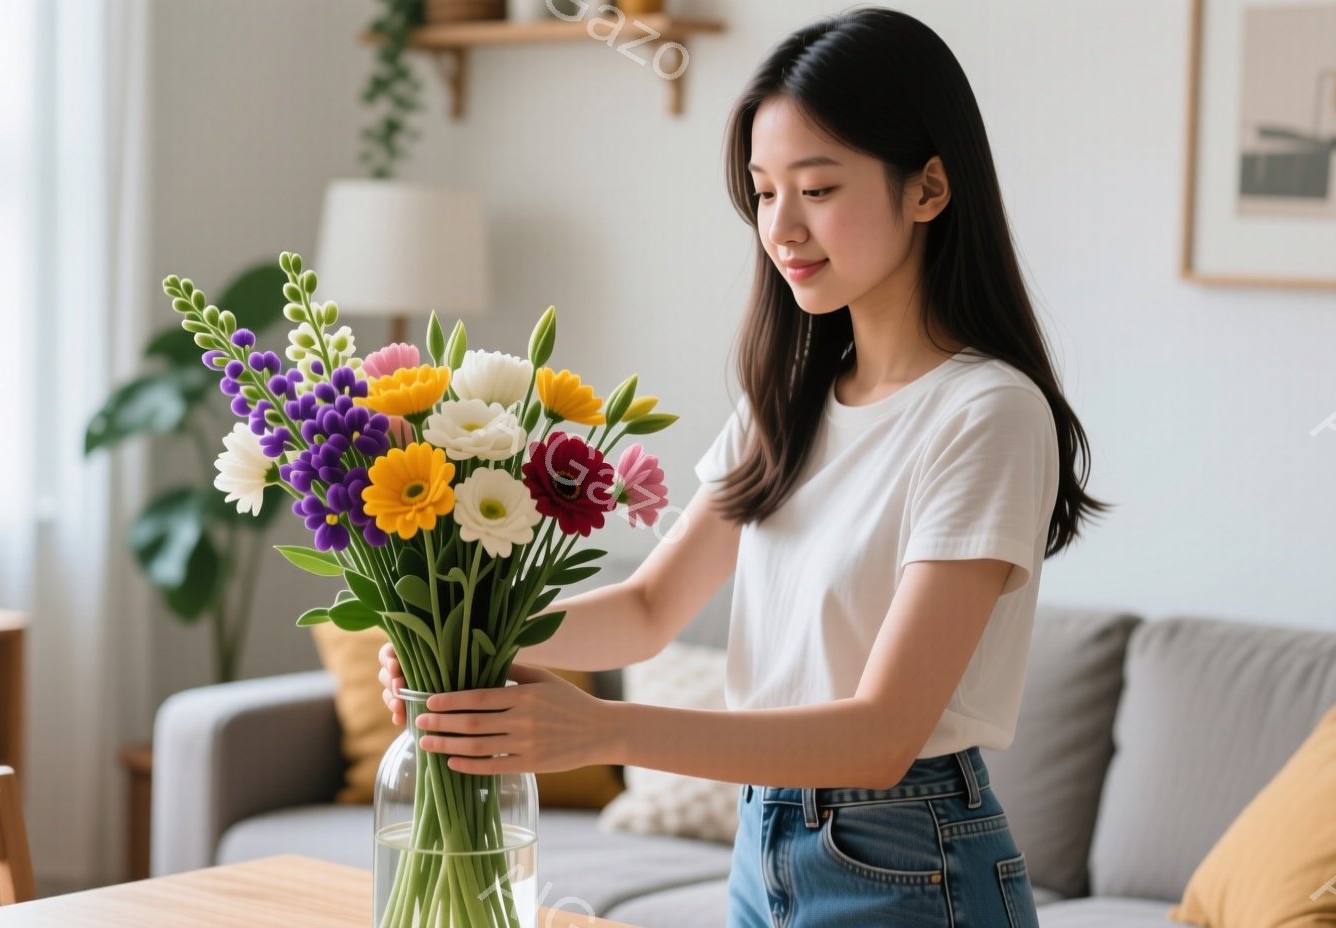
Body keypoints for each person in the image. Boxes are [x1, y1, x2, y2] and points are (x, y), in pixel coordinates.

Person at [378, 7, 1108, 926]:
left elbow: (883, 735)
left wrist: (601, 730)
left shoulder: (986, 413)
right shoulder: (789, 401)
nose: (783, 228)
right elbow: (650, 609)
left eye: (818, 188)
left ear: (929, 187)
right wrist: (460, 639)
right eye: (763, 193)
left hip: (908, 857)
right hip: (762, 840)